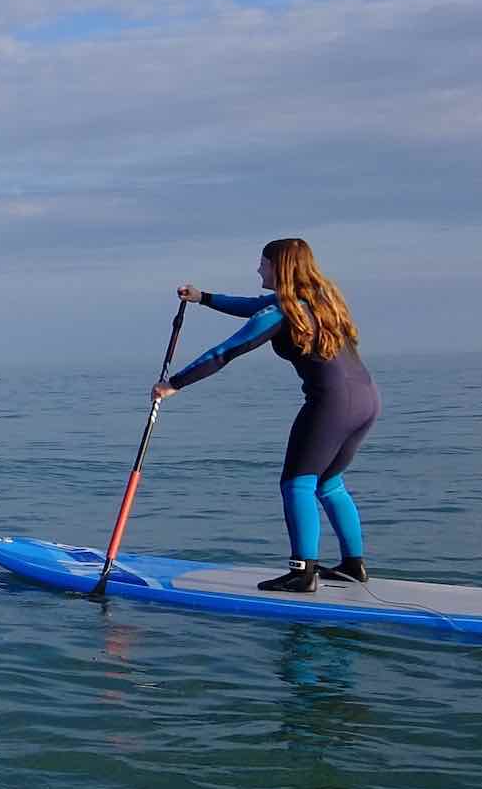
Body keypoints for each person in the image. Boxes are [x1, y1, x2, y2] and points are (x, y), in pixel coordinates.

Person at [153, 238, 380, 593]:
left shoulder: (281, 312)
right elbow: (252, 306)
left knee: (297, 483)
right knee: (329, 483)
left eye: (263, 263)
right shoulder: (321, 302)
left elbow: (225, 351)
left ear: (280, 267)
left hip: (331, 405)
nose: (259, 269)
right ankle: (354, 565)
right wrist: (204, 298)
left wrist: (174, 384)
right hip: (367, 400)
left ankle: (302, 573)